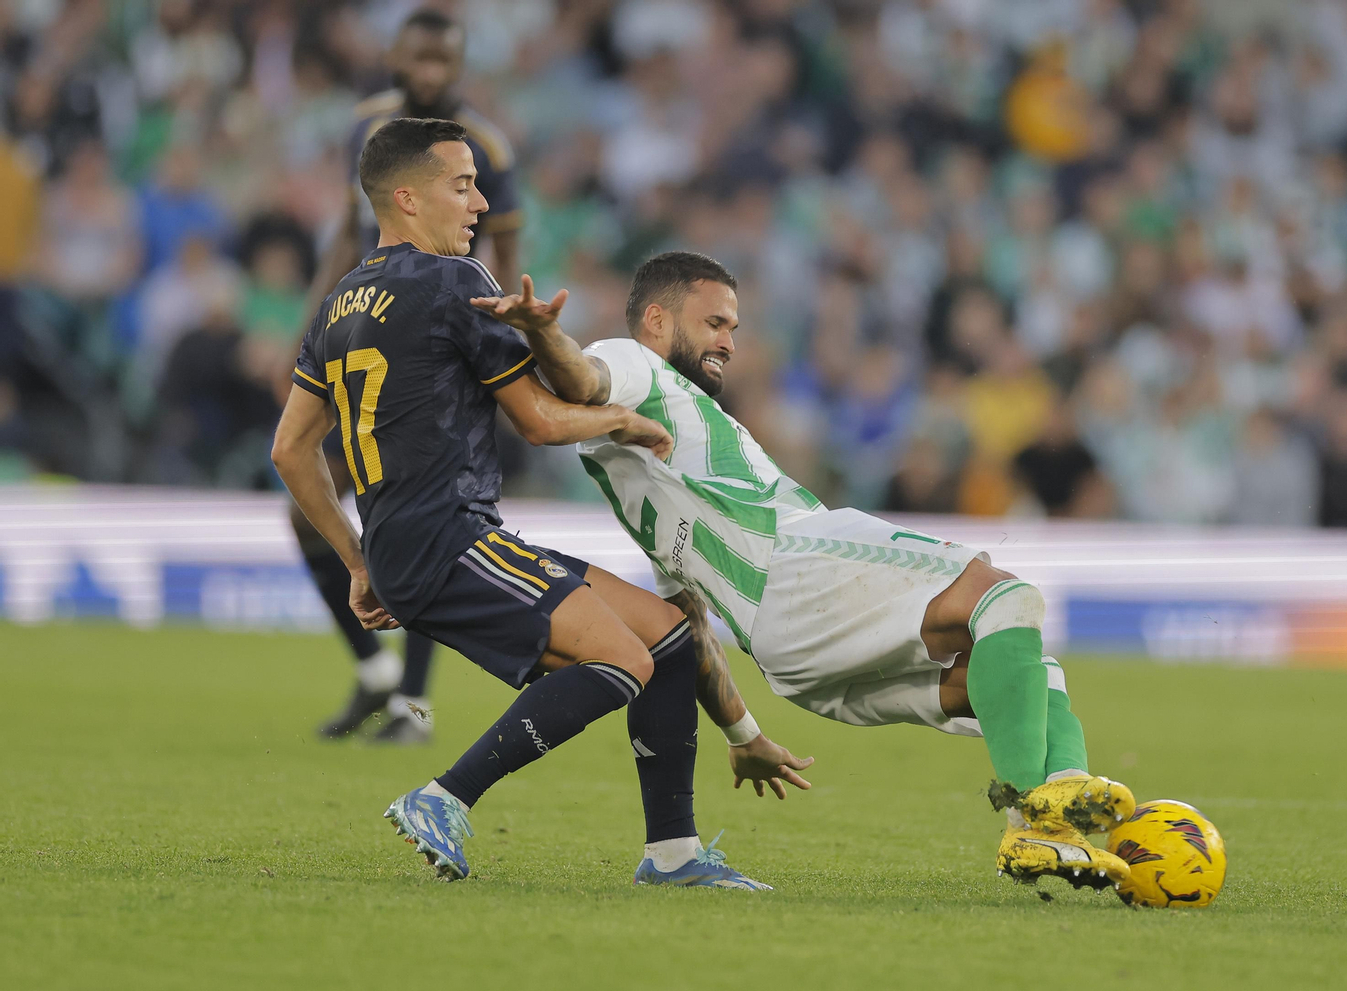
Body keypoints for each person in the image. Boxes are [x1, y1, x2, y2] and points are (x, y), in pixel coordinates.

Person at [471, 250, 1136, 893]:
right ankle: (1039, 820)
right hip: (797, 563)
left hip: (790, 657)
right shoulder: (634, 364)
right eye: (714, 323)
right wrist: (548, 331)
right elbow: (583, 380)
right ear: (655, 321)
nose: (730, 341)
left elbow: (688, 626)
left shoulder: (645, 479)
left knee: (1022, 672)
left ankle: (1063, 825)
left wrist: (744, 733)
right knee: (1007, 599)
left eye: (734, 326)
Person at [273, 119, 807, 888]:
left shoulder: (338, 303)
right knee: (620, 657)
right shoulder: (454, 282)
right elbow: (540, 418)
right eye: (462, 185)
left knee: (666, 640)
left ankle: (674, 854)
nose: (482, 203)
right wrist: (621, 418)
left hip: (413, 543)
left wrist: (359, 559)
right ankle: (444, 795)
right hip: (450, 536)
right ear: (407, 196)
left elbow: (291, 449)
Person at [295, 9, 525, 743]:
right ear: (394, 55)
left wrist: (505, 349)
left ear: (460, 66)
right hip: (363, 328)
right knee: (305, 507)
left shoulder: (487, 148)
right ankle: (376, 675)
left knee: (428, 522)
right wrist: (309, 328)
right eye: (419, 58)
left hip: (438, 344)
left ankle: (413, 709)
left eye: (444, 62)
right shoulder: (369, 130)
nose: (430, 73)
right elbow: (345, 228)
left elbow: (506, 256)